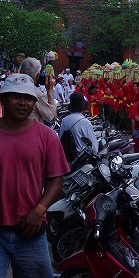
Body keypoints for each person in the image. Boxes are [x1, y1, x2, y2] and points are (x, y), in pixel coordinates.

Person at [0, 73, 70, 278]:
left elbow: (56, 178)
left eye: (29, 98)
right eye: (16, 96)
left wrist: (39, 210)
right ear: (3, 99)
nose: (23, 103)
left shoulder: (47, 136)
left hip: (31, 230)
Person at [59, 92, 99, 157]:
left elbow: (61, 139)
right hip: (81, 158)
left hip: (68, 157)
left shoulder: (64, 120)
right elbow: (94, 148)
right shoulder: (85, 122)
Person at [18, 57, 56, 125]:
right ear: (38, 75)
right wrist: (50, 91)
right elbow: (52, 117)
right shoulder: (35, 93)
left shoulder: (11, 88)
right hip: (29, 133)